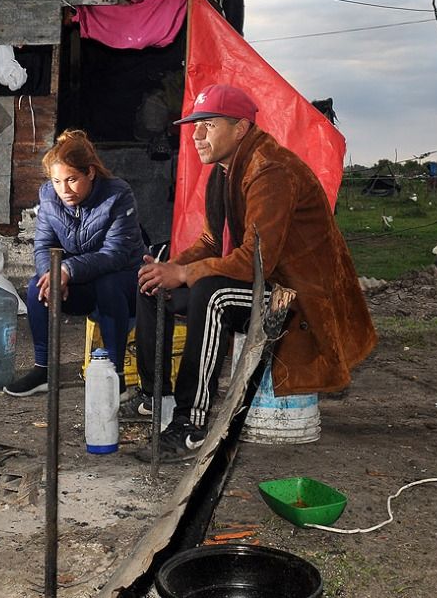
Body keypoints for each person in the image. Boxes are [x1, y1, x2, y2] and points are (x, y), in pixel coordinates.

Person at [128, 83, 376, 461]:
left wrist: (188, 274)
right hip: (266, 282)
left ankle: (190, 426)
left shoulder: (270, 171)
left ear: (240, 128)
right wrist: (173, 268)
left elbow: (253, 262)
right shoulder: (226, 170)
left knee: (212, 294)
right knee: (153, 283)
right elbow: (213, 241)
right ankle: (155, 399)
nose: (196, 134)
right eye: (195, 125)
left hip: (298, 296)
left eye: (208, 125)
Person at [4, 130, 145, 397]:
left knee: (107, 284)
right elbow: (44, 245)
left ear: (90, 173)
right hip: (78, 280)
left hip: (126, 281)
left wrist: (68, 269)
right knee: (38, 286)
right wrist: (53, 275)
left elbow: (115, 254)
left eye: (72, 180)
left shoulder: (117, 195)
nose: (64, 190)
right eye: (57, 181)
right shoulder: (49, 196)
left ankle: (116, 377)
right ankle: (43, 370)